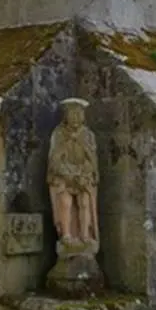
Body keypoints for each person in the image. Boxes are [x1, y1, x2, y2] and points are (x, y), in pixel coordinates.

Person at [46, 98, 99, 245]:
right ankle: (66, 235)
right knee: (65, 202)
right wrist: (68, 174)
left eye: (79, 114)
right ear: (66, 116)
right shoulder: (58, 134)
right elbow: (54, 160)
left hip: (83, 175)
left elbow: (92, 159)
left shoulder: (88, 135)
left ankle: (85, 235)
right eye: (72, 114)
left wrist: (83, 174)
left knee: (84, 202)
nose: (75, 118)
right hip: (64, 175)